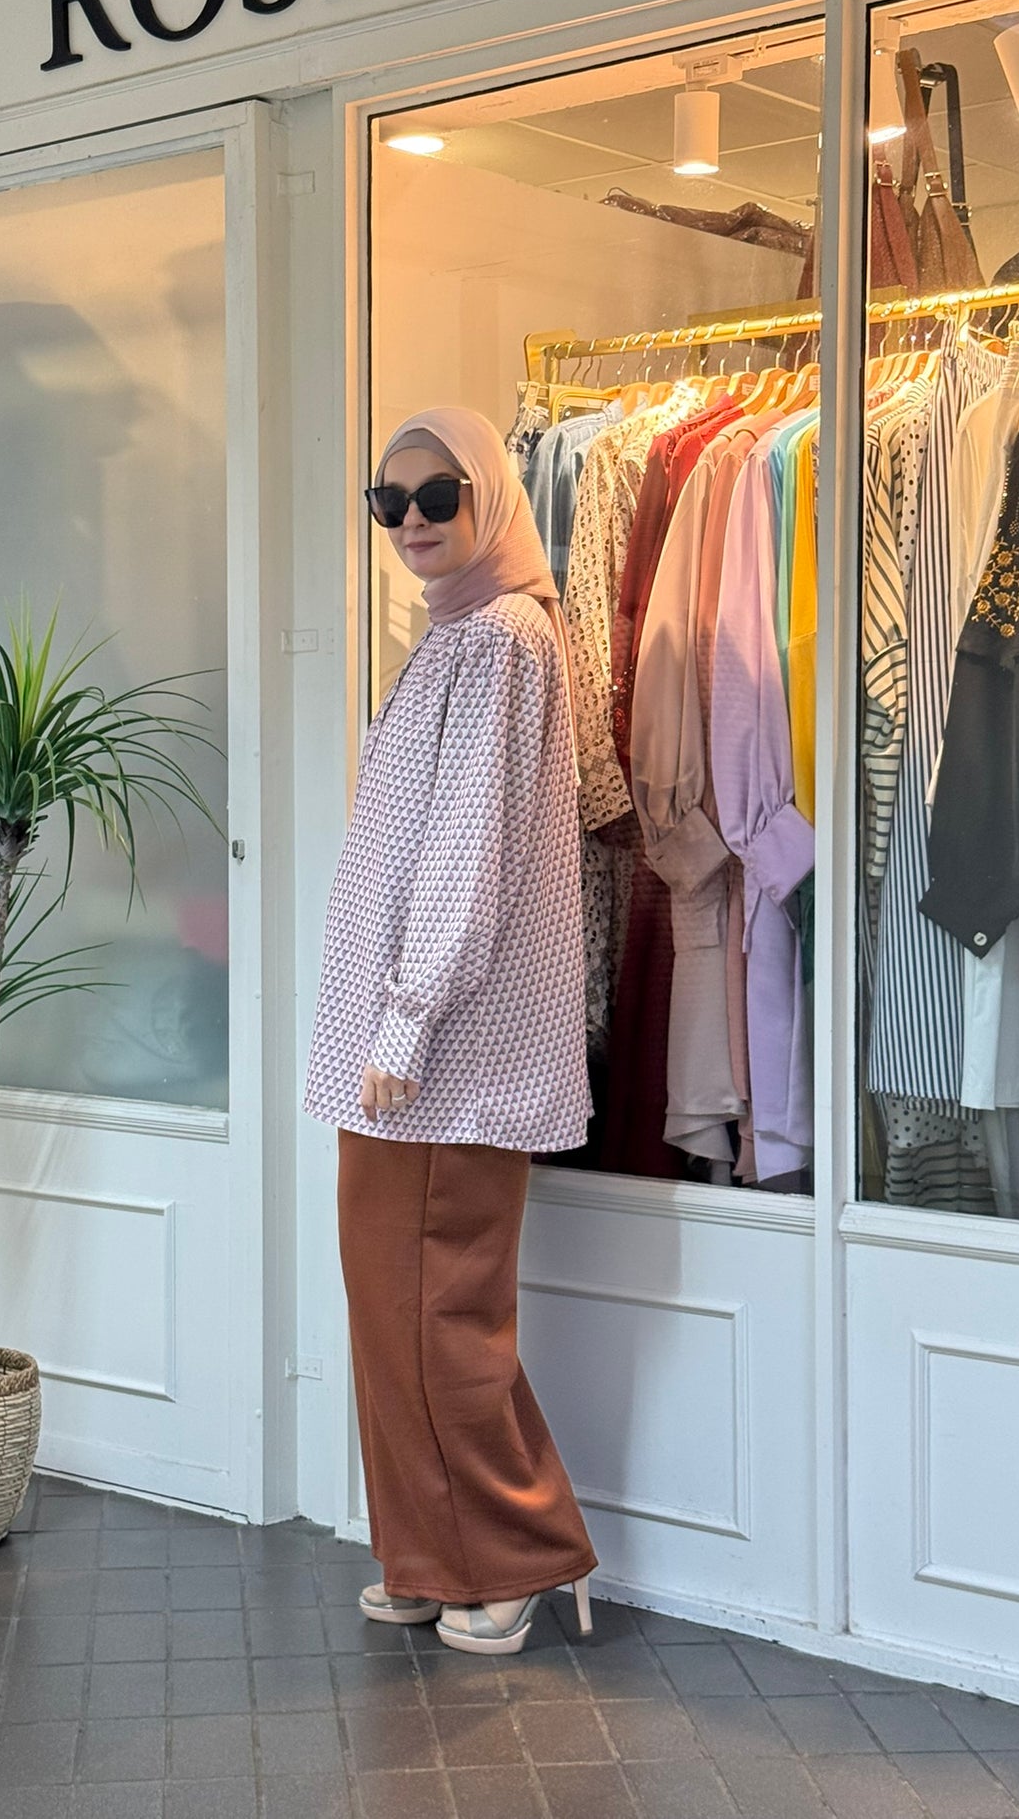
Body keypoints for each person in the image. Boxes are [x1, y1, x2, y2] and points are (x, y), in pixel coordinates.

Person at [304, 405, 597, 1656]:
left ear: (489, 500)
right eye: (392, 504)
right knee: (389, 1306)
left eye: (440, 497)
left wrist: (409, 1018)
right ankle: (428, 1549)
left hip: (447, 1055)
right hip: (398, 1052)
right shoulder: (448, 638)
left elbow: (468, 854)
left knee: (442, 1312)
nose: (414, 523)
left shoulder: (501, 643)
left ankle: (520, 1552)